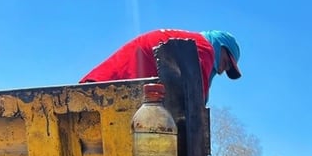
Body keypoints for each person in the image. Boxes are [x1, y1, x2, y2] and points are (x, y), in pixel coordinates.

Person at [80, 29, 241, 102]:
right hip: (107, 90)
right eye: (225, 63)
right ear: (219, 46)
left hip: (103, 84)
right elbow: (197, 100)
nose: (221, 71)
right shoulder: (204, 48)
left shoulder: (193, 43)